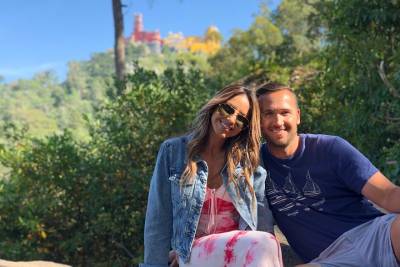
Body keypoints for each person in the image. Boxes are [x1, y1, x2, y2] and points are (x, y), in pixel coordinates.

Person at [256, 82, 400, 267]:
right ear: (257, 121)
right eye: (268, 113)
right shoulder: (254, 166)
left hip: (374, 237)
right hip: (328, 261)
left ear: (297, 116)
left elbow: (388, 195)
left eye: (285, 112)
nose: (277, 121)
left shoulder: (331, 148)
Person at [140, 84, 282, 267]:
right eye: (228, 109)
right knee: (265, 242)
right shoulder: (173, 151)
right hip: (191, 254)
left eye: (241, 119)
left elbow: (262, 221)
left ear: (245, 128)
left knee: (266, 241)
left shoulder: (247, 163)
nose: (231, 120)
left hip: (237, 255)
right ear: (215, 105)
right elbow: (158, 218)